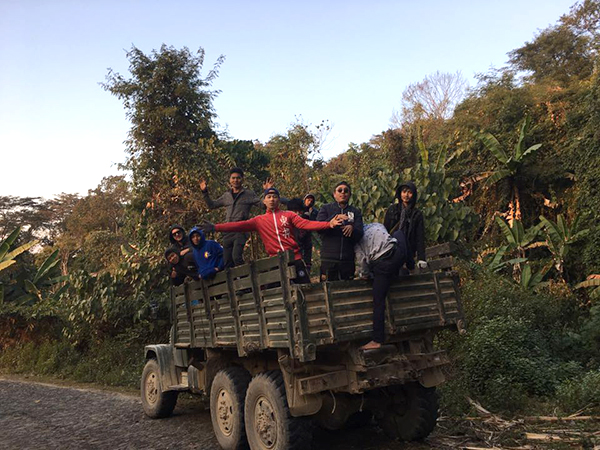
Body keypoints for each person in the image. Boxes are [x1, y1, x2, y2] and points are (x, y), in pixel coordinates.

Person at [202, 188, 344, 284]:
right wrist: (215, 227)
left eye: (275, 197)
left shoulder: (289, 215)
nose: (272, 199)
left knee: (305, 292)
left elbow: (306, 224)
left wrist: (328, 224)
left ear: (278, 200)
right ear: (264, 201)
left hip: (296, 259)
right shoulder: (259, 220)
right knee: (277, 296)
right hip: (275, 263)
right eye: (268, 197)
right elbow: (237, 225)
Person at [356, 224, 415, 350]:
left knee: (378, 300)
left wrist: (365, 275)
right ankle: (410, 266)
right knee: (399, 234)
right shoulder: (376, 225)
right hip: (398, 254)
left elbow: (362, 262)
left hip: (383, 265)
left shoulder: (356, 240)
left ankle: (377, 340)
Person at [200, 168, 269, 269]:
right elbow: (212, 205)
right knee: (227, 261)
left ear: (242, 179)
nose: (235, 180)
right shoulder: (226, 196)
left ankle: (246, 278)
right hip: (227, 231)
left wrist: (267, 191)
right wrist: (204, 192)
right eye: (233, 178)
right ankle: (234, 283)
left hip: (240, 230)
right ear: (229, 180)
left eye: (238, 178)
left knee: (236, 257)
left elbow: (263, 205)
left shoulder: (248, 194)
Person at [316, 181, 364, 281]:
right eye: (340, 190)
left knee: (346, 291)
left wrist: (352, 228)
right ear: (334, 194)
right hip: (329, 259)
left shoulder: (355, 212)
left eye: (346, 191)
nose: (343, 193)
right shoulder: (325, 209)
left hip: (348, 260)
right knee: (328, 291)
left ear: (349, 194)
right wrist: (332, 221)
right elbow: (318, 228)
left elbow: (360, 233)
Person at [383, 181, 427, 270]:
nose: (406, 195)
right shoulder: (392, 210)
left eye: (409, 192)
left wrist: (421, 258)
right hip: (392, 248)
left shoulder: (417, 214)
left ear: (413, 195)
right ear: (400, 193)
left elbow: (420, 237)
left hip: (408, 250)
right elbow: (385, 230)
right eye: (404, 192)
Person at [286, 198, 313, 273]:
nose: (297, 214)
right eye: (294, 211)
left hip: (300, 260)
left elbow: (308, 246)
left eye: (299, 211)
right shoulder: (283, 226)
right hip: (285, 260)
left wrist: (308, 264)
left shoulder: (305, 226)